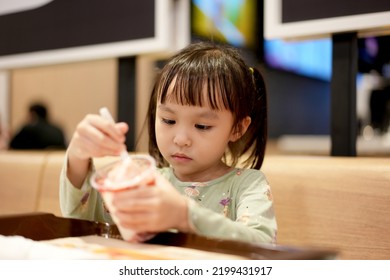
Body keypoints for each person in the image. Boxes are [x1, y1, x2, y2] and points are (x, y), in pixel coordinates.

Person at [60, 41, 277, 244]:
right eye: (168, 120)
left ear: (237, 128)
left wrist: (185, 216)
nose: (180, 139)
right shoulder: (144, 180)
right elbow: (82, 219)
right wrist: (78, 154)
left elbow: (261, 244)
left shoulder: (246, 185)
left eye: (202, 126)